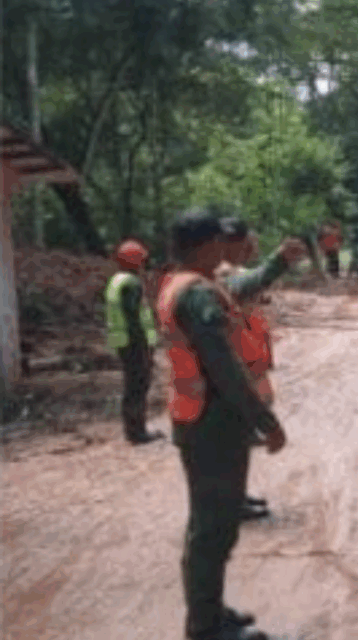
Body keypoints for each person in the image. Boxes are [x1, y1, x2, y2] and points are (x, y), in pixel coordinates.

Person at [157, 207, 307, 640]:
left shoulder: (184, 284)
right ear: (206, 245)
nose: (226, 252)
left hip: (199, 419)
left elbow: (241, 286)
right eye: (220, 244)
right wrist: (265, 421)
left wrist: (277, 262)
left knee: (210, 526)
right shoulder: (197, 294)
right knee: (213, 530)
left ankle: (210, 613)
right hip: (212, 424)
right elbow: (224, 368)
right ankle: (205, 628)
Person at [215, 217, 275, 523]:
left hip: (249, 356)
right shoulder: (224, 275)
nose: (253, 248)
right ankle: (231, 502)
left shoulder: (233, 273)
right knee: (233, 437)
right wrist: (280, 262)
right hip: (237, 361)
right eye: (249, 242)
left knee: (240, 437)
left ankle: (236, 496)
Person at [104, 238, 165, 445]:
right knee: (138, 386)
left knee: (132, 385)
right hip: (134, 343)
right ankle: (138, 433)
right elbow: (134, 319)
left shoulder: (116, 280)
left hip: (122, 342)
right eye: (142, 260)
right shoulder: (131, 283)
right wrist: (145, 347)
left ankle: (133, 429)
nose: (143, 264)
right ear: (137, 261)